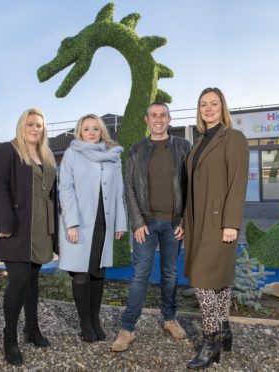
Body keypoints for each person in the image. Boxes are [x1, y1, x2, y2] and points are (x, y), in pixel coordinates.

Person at [111, 101, 192, 352]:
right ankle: (127, 328)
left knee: (170, 274)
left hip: (173, 224)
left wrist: (185, 221)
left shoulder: (183, 147)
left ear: (169, 119)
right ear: (147, 120)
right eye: (153, 115)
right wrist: (136, 222)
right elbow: (130, 188)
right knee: (139, 276)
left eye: (163, 115)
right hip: (144, 225)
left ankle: (169, 319)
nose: (158, 119)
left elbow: (192, 188)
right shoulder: (136, 150)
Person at [184, 88, 249, 369]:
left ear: (223, 108)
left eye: (214, 103)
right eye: (203, 104)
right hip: (198, 222)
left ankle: (210, 342)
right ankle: (224, 333)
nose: (208, 108)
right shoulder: (198, 142)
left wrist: (231, 223)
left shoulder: (232, 138)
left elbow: (238, 181)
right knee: (220, 281)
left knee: (201, 280)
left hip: (220, 222)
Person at [0, 108, 58, 366]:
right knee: (18, 280)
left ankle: (32, 329)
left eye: (39, 125)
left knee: (32, 281)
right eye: (30, 124)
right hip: (16, 228)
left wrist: (57, 230)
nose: (34, 128)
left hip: (42, 228)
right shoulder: (7, 151)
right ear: (21, 125)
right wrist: (6, 222)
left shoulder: (47, 155)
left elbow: (53, 194)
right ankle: (10, 338)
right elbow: (0, 189)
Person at [58, 114, 127, 343]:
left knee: (98, 274)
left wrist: (120, 223)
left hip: (103, 223)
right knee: (80, 275)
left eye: (95, 128)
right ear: (79, 131)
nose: (91, 132)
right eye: (86, 128)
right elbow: (65, 189)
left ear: (101, 132)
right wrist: (72, 223)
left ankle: (95, 319)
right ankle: (85, 322)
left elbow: (119, 192)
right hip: (80, 223)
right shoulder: (72, 155)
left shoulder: (112, 156)